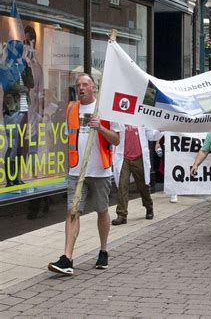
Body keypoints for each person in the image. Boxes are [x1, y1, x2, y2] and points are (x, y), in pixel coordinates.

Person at [48, 74, 120, 276]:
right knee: (72, 211)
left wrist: (101, 128)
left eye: (85, 84)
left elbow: (116, 140)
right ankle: (67, 258)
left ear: (94, 87)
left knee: (102, 210)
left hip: (100, 171)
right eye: (78, 85)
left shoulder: (105, 109)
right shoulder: (72, 108)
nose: (81, 88)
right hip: (76, 170)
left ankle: (104, 250)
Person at [111, 125, 162, 225]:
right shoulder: (118, 116)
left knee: (143, 185)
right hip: (123, 157)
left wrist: (161, 129)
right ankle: (121, 215)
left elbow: (151, 135)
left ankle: (149, 208)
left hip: (139, 157)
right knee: (122, 185)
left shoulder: (141, 116)